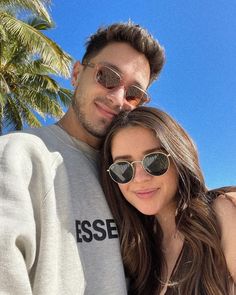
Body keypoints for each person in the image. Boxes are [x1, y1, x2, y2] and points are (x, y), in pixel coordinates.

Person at [0, 22, 165, 294]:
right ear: (77, 74)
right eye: (108, 76)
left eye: (134, 94)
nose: (118, 98)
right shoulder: (19, 156)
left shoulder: (134, 177)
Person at [101, 106, 236, 295]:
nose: (139, 178)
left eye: (154, 160)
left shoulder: (222, 213)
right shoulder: (137, 253)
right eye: (122, 168)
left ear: (179, 158)